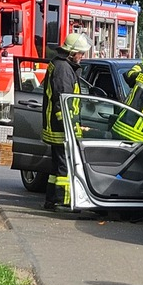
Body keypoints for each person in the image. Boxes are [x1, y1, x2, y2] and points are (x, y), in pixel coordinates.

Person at [41, 32, 91, 211]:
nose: (82, 57)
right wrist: (69, 126)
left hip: (58, 126)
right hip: (61, 127)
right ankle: (64, 201)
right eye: (81, 53)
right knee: (64, 167)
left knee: (56, 168)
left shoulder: (61, 65)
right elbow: (62, 101)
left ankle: (51, 200)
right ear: (71, 53)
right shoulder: (63, 69)